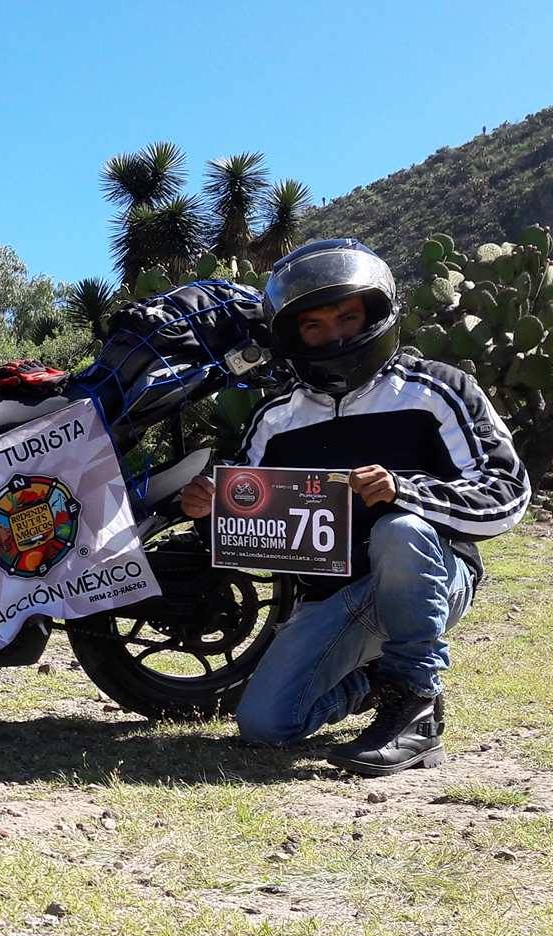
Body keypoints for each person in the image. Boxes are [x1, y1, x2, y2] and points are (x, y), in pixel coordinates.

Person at [179, 239, 530, 776]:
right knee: (266, 725)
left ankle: (415, 703)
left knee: (401, 530)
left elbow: (507, 491)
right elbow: (250, 526)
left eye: (347, 316)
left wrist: (406, 491)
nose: (335, 335)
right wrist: (208, 512)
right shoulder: (275, 419)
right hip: (336, 598)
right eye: (314, 326)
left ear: (377, 313)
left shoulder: (438, 390)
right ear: (292, 336)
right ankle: (373, 682)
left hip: (428, 578)